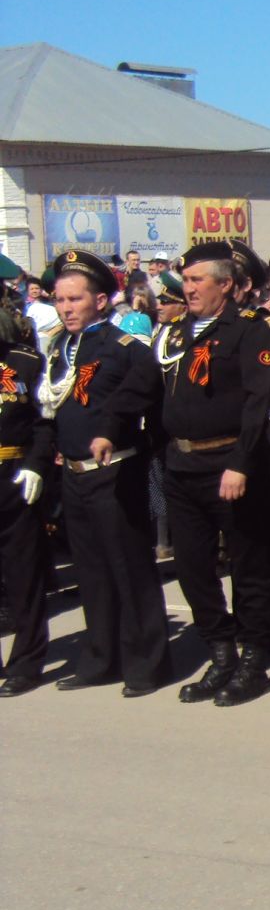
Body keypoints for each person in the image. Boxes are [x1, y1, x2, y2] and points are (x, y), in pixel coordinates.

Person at [40, 249, 173, 696]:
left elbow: (142, 387)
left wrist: (109, 429)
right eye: (60, 300)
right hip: (75, 474)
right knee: (92, 572)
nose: (65, 308)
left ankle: (145, 664)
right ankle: (100, 658)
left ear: (99, 301)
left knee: (129, 568)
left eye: (74, 299)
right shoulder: (61, 346)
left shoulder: (124, 347)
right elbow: (56, 403)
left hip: (114, 472)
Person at [159, 242, 270, 706]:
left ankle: (253, 658)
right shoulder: (176, 333)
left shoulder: (250, 331)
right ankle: (221, 651)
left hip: (229, 464)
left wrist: (241, 462)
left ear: (226, 285)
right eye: (185, 281)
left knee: (249, 566)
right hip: (181, 465)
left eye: (197, 281)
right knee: (192, 567)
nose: (187, 289)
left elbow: (258, 400)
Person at [0, 285, 54, 696]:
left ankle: (26, 660)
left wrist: (36, 465)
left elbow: (43, 420)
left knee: (23, 574)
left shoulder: (26, 363)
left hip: (13, 478)